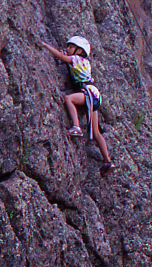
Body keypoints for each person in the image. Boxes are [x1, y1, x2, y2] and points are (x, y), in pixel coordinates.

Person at [41, 35, 115, 177]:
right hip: (94, 94)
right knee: (96, 132)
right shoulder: (83, 62)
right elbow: (67, 62)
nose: (67, 48)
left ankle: (76, 127)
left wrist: (46, 46)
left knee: (69, 99)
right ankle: (108, 161)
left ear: (79, 51)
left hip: (87, 92)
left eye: (71, 47)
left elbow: (65, 59)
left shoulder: (77, 59)